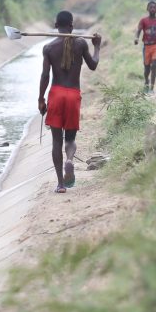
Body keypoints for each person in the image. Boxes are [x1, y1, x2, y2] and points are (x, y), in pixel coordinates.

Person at [38, 11, 102, 194]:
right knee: (70, 139)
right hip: (73, 95)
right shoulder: (81, 43)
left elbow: (45, 76)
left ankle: (60, 184)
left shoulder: (49, 48)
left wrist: (41, 99)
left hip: (56, 95)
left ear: (56, 25)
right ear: (72, 26)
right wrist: (97, 47)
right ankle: (70, 161)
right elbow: (93, 65)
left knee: (56, 141)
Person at [134, 0, 156, 94]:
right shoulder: (144, 21)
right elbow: (139, 30)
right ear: (147, 9)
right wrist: (136, 38)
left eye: (154, 7)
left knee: (154, 66)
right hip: (146, 46)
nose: (152, 9)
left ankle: (152, 88)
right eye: (150, 7)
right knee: (146, 68)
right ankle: (146, 82)